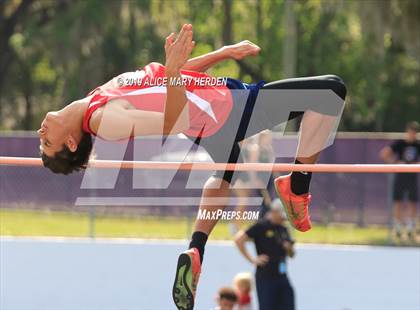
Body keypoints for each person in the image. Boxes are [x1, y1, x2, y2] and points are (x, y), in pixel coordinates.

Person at [37, 24, 346, 310]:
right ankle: (296, 188)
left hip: (210, 116)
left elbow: (171, 78)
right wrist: (173, 72)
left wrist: (222, 53)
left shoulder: (97, 97)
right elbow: (174, 122)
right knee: (330, 92)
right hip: (225, 107)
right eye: (47, 143)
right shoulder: (103, 120)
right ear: (71, 143)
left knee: (227, 169)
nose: (41, 135)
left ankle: (196, 248)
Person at [234, 199, 295, 310]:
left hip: (282, 276)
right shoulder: (261, 226)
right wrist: (252, 259)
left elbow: (292, 254)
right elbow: (239, 239)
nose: (283, 218)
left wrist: (289, 248)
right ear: (274, 212)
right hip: (265, 277)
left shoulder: (284, 228)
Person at [380, 121, 419, 241]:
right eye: (410, 132)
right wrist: (394, 163)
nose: (412, 134)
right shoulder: (400, 143)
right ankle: (397, 228)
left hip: (412, 176)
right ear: (407, 132)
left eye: (414, 132)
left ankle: (411, 227)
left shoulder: (418, 144)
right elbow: (384, 153)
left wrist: (416, 164)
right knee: (398, 201)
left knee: (413, 201)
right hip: (400, 176)